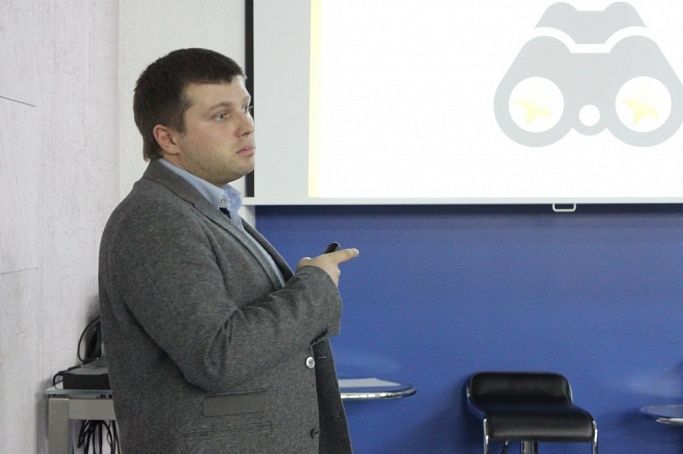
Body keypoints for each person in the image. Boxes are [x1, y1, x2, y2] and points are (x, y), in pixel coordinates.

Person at [98, 48, 358, 453]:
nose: (247, 126)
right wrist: (314, 287)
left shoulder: (207, 208)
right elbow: (217, 355)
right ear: (168, 138)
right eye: (222, 116)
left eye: (245, 108)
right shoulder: (156, 218)